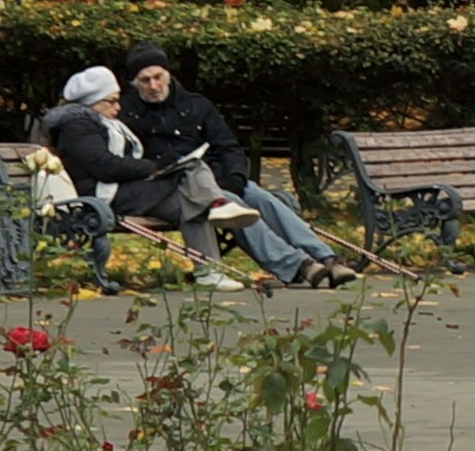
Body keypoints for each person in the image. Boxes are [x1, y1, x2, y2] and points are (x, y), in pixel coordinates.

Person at [121, 46, 360, 288]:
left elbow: (228, 146)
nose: (153, 85)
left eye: (158, 77)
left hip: (218, 177)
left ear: (168, 75)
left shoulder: (196, 105)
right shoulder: (127, 113)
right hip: (182, 186)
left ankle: (327, 257)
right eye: (145, 80)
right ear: (134, 83)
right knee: (234, 205)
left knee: (260, 196)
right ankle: (299, 265)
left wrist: (235, 176)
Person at [42, 66, 245, 290]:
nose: (118, 107)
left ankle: (208, 271)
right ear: (93, 102)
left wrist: (156, 167)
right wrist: (153, 167)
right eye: (111, 101)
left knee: (189, 204)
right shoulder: (77, 126)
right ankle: (218, 203)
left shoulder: (100, 122)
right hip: (101, 196)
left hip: (121, 189)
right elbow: (105, 167)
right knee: (191, 168)